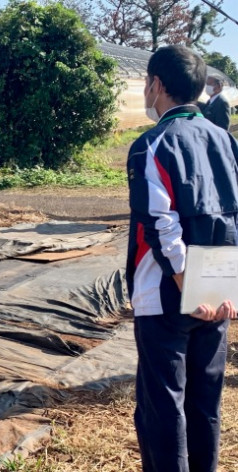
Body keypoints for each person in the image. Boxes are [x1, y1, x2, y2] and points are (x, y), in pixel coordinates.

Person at [126, 45, 238, 472]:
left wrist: (189, 286)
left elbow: (161, 223)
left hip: (167, 293)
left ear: (156, 85)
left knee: (163, 407)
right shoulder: (226, 140)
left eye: (146, 84)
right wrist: (225, 289)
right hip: (219, 292)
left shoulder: (152, 144)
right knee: (205, 401)